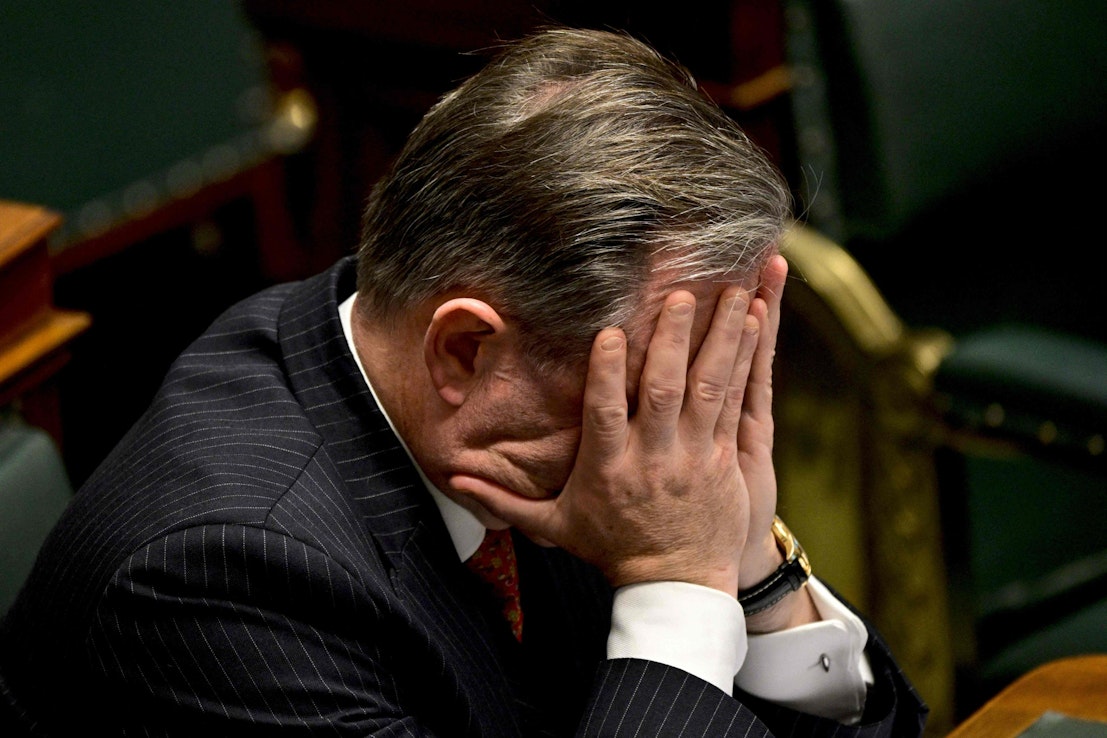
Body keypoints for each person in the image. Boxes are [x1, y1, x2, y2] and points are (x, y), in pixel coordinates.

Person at [0, 28, 925, 736]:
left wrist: (748, 570)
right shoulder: (217, 578)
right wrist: (676, 581)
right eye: (659, 391)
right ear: (463, 352)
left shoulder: (513, 410)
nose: (688, 443)